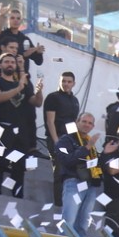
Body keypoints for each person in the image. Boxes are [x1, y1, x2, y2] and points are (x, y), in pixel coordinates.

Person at [0, 52, 43, 198]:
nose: (10, 64)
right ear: (0, 65)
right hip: (0, 129)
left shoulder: (22, 84)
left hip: (19, 132)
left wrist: (39, 92)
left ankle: (17, 198)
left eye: (12, 62)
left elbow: (36, 102)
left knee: (19, 165)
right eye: (6, 62)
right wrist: (18, 88)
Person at [55, 113, 108, 237]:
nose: (87, 125)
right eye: (84, 121)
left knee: (83, 225)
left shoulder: (89, 141)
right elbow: (66, 160)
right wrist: (87, 147)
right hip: (74, 182)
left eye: (90, 123)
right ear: (77, 122)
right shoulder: (67, 139)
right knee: (68, 221)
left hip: (90, 185)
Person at [43, 71, 80, 207]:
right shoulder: (53, 97)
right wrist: (56, 141)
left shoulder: (74, 100)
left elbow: (73, 122)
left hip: (70, 140)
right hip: (57, 138)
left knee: (69, 172)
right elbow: (50, 121)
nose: (66, 84)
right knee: (59, 171)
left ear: (73, 83)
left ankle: (66, 202)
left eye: (69, 82)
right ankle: (58, 204)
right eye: (63, 81)